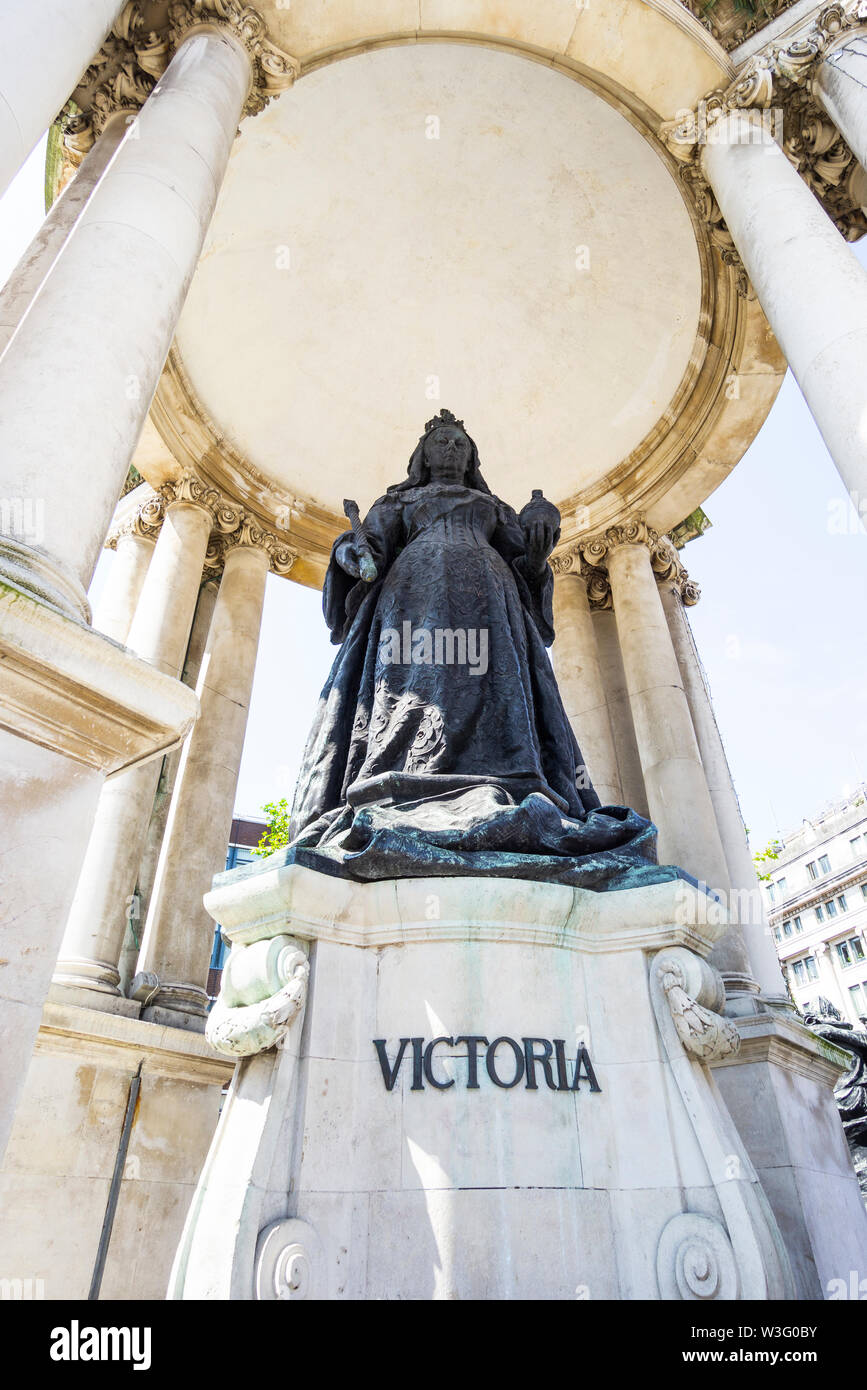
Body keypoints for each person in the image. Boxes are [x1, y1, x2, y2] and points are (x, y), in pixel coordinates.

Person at [286, 409, 680, 890]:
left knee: (497, 686)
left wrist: (538, 547)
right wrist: (351, 553)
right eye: (442, 443)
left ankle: (506, 780)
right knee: (417, 687)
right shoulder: (396, 502)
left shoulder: (492, 507)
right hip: (413, 598)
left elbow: (526, 567)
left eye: (459, 444)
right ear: (423, 456)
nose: (450, 450)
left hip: (492, 603)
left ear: (472, 456)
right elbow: (367, 549)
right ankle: (404, 780)